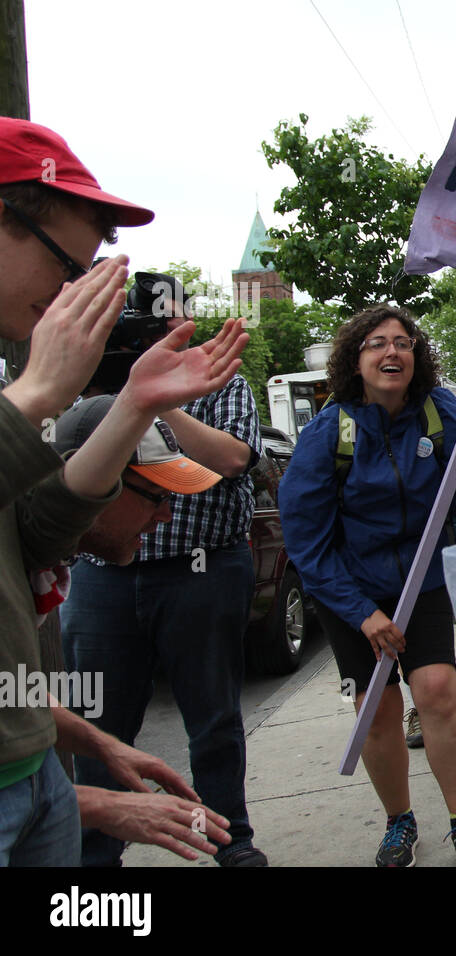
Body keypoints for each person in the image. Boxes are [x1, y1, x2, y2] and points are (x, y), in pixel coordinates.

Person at [0, 116, 247, 866]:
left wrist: (136, 404)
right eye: (67, 267)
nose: (75, 295)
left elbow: (34, 538)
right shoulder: (29, 383)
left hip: (29, 768)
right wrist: (40, 391)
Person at [278, 305, 456, 867]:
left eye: (403, 342)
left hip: (423, 581)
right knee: (376, 708)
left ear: (416, 356)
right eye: (376, 343)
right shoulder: (329, 431)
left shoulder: (441, 410)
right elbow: (307, 543)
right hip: (352, 590)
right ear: (356, 361)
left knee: (438, 693)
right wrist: (360, 613)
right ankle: (399, 822)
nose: (392, 352)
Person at [61, 272, 268, 868]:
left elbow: (232, 458)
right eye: (152, 322)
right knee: (98, 722)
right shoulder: (95, 380)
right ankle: (96, 858)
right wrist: (127, 390)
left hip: (200, 571)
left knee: (214, 719)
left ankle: (230, 839)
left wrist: (158, 397)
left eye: (176, 320)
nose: (167, 331)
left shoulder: (219, 380)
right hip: (104, 572)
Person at [51, 394, 240, 862]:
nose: (167, 515)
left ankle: (229, 839)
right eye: (156, 496)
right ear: (95, 480)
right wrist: (96, 803)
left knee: (213, 720)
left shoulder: (40, 567)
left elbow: (13, 708)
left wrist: (99, 746)